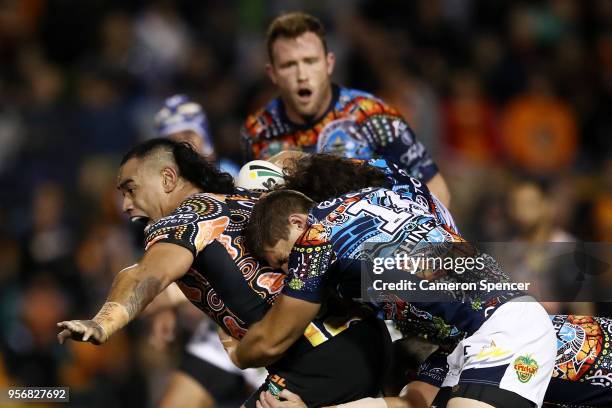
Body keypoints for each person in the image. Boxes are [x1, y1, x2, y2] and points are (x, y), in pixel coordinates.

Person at [56, 138, 391, 407]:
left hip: (317, 360)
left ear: (168, 178)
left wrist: (104, 321)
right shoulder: (249, 196)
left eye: (131, 189)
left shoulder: (183, 220)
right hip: (370, 337)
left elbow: (145, 274)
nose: (126, 204)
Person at [227, 185, 557, 407]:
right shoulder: (381, 193)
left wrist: (239, 355)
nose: (290, 272)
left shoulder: (315, 238)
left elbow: (274, 337)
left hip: (499, 327)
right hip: (459, 340)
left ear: (298, 222)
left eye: (285, 260)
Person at [241, 12, 451, 207]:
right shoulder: (258, 131)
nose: (302, 74)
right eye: (289, 65)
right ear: (272, 73)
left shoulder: (373, 115)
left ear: (329, 64)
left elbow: (436, 189)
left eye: (310, 61)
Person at [153, 94, 263, 407]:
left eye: (188, 137)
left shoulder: (232, 182)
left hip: (262, 323)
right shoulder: (169, 202)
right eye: (171, 143)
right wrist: (165, 306)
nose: (182, 150)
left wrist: (163, 301)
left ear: (206, 141)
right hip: (219, 329)